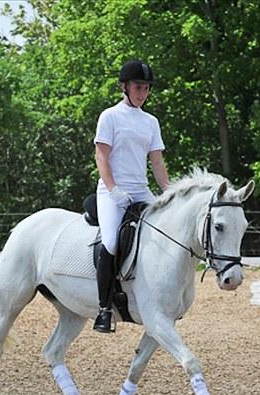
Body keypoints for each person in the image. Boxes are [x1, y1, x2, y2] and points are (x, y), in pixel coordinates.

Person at [92, 59, 170, 333]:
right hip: (112, 190)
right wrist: (113, 189)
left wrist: (168, 193)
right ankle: (104, 309)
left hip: (140, 190)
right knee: (111, 241)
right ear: (125, 87)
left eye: (147, 88)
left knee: (166, 232)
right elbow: (101, 155)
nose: (143, 93)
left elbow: (157, 163)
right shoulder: (110, 116)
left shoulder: (151, 122)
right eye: (138, 87)